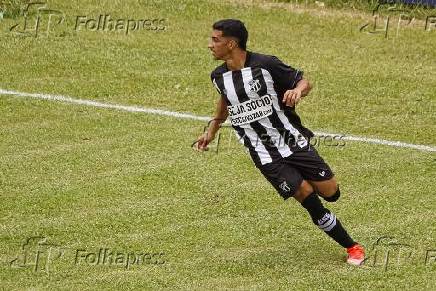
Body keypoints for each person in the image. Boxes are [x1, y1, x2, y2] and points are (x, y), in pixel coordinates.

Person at [196, 19, 365, 265]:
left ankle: (308, 181)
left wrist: (298, 91)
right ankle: (353, 247)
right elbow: (225, 104)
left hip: (293, 142)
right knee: (308, 198)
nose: (210, 45)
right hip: (264, 155)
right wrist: (211, 131)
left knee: (331, 193)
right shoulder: (218, 76)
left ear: (231, 44)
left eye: (215, 40)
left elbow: (304, 81)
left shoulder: (266, 64)